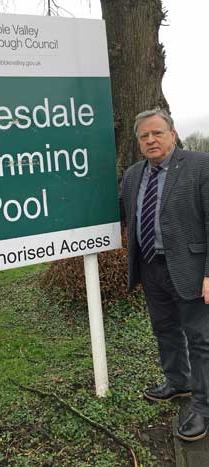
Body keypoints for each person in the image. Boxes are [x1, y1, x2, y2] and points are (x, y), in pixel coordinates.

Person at [119, 108, 209, 441]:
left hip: (191, 268)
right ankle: (178, 382)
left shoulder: (200, 165)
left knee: (201, 340)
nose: (151, 140)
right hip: (151, 267)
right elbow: (119, 214)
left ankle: (203, 407)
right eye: (144, 136)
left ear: (172, 134)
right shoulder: (132, 176)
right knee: (165, 330)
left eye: (157, 133)